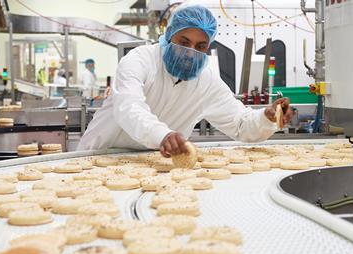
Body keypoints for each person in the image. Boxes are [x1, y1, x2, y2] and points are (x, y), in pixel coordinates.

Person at [77, 5, 293, 157]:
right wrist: (163, 135)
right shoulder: (140, 60)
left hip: (155, 164)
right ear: (169, 35)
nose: (190, 53)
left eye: (200, 47)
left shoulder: (206, 79)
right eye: (184, 42)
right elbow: (129, 108)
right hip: (102, 157)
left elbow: (240, 124)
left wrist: (266, 118)